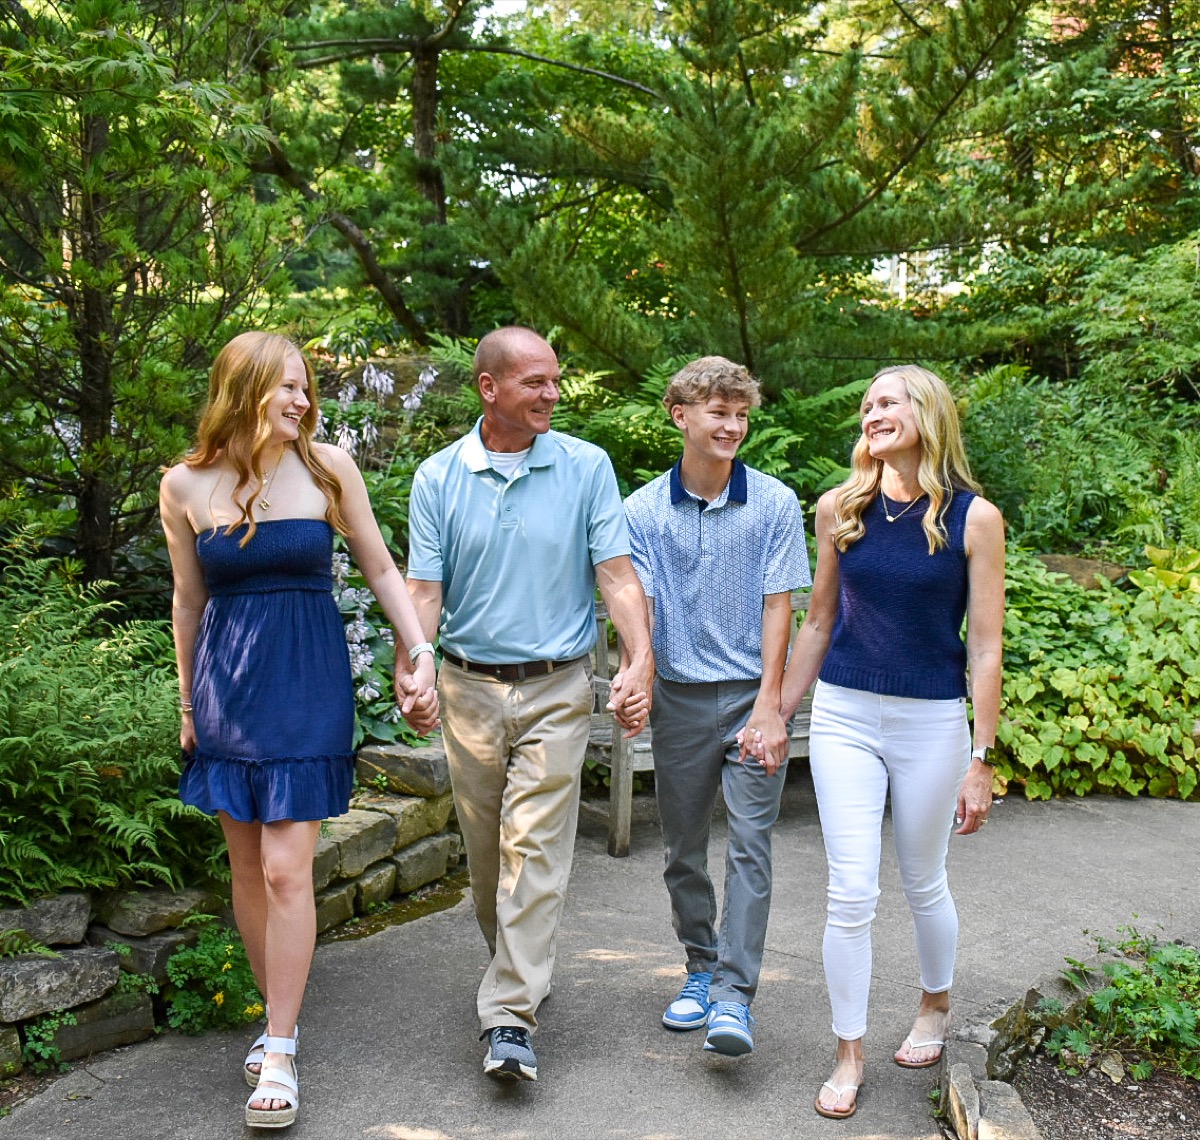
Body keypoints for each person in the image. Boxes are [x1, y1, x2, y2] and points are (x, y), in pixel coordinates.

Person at [160, 331, 439, 1130]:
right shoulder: (184, 485)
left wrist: (417, 651)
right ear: (241, 391)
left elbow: (383, 568)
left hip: (309, 680)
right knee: (247, 869)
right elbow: (188, 601)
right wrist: (186, 704)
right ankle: (273, 1012)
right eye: (285, 387)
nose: (301, 401)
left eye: (305, 387)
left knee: (287, 870)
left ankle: (280, 1045)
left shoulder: (327, 468)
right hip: (227, 689)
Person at [753, 364, 1004, 1120]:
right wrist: (777, 710)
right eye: (866, 404)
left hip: (930, 719)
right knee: (851, 888)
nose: (871, 412)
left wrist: (981, 758)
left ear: (927, 414)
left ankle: (934, 1006)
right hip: (845, 715)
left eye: (887, 401)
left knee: (924, 878)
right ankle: (848, 1052)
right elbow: (820, 621)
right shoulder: (841, 507)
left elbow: (986, 646)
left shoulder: (974, 518)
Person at [405, 326, 654, 1083]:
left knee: (536, 850)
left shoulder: (585, 467)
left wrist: (638, 659)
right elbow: (424, 592)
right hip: (468, 688)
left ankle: (509, 1017)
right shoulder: (438, 477)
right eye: (534, 383)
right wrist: (416, 668)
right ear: (489, 388)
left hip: (557, 686)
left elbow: (615, 575)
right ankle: (517, 969)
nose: (552, 394)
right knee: (489, 864)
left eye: (555, 381)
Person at [623, 357, 810, 1057]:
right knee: (683, 850)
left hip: (749, 701)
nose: (733, 426)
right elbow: (633, 607)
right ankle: (699, 968)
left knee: (753, 846)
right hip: (677, 698)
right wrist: (635, 675)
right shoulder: (641, 511)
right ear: (680, 414)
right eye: (718, 413)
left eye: (741, 415)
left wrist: (771, 705)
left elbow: (778, 607)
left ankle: (735, 996)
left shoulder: (773, 503)